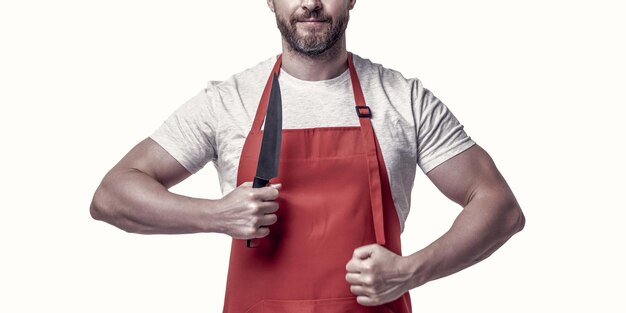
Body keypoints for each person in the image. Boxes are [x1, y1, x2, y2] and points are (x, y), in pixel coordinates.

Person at [90, 0, 525, 312]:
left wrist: (412, 271)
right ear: (270, 1)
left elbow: (498, 205)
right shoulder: (228, 102)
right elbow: (112, 194)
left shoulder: (401, 99)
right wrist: (215, 215)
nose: (311, 4)